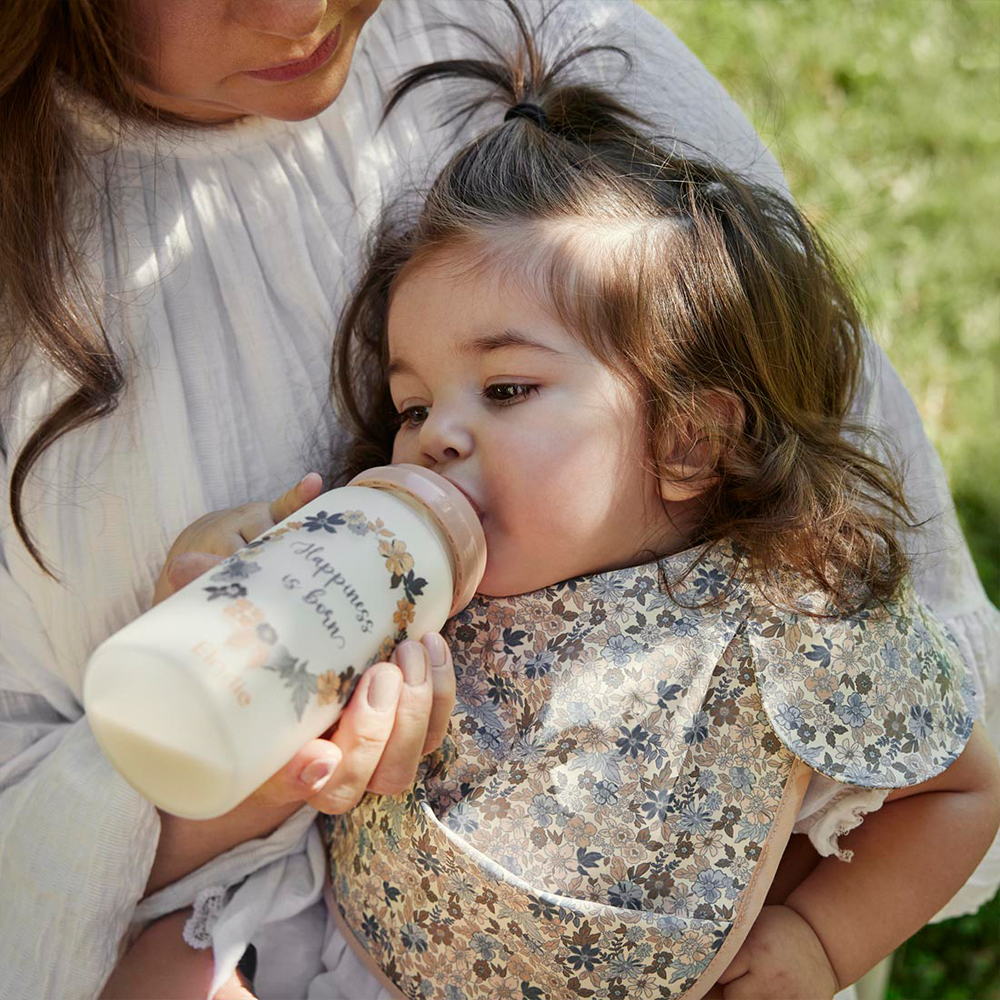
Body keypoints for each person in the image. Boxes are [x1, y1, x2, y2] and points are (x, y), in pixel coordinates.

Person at [1, 2, 997, 999]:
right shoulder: (418, 591)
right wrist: (249, 618)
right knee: (171, 970)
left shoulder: (782, 619)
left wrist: (820, 942)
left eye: (507, 391)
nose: (436, 437)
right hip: (341, 940)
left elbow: (964, 783)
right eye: (412, 404)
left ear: (692, 435)